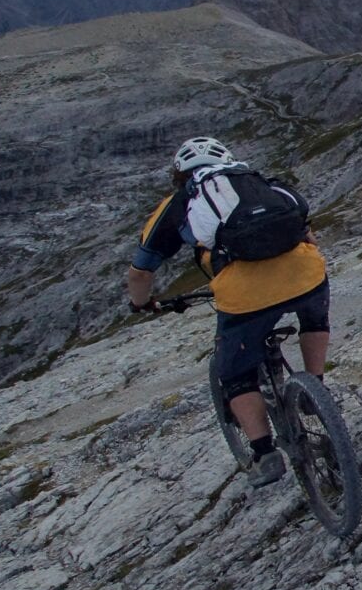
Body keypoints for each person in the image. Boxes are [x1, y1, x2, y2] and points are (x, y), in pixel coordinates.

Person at [126, 137, 330, 485]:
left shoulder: (181, 201)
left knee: (235, 372)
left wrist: (140, 303)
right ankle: (316, 388)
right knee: (314, 317)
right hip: (306, 274)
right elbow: (305, 231)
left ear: (180, 175)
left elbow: (142, 271)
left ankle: (265, 453)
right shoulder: (262, 183)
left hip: (245, 295)